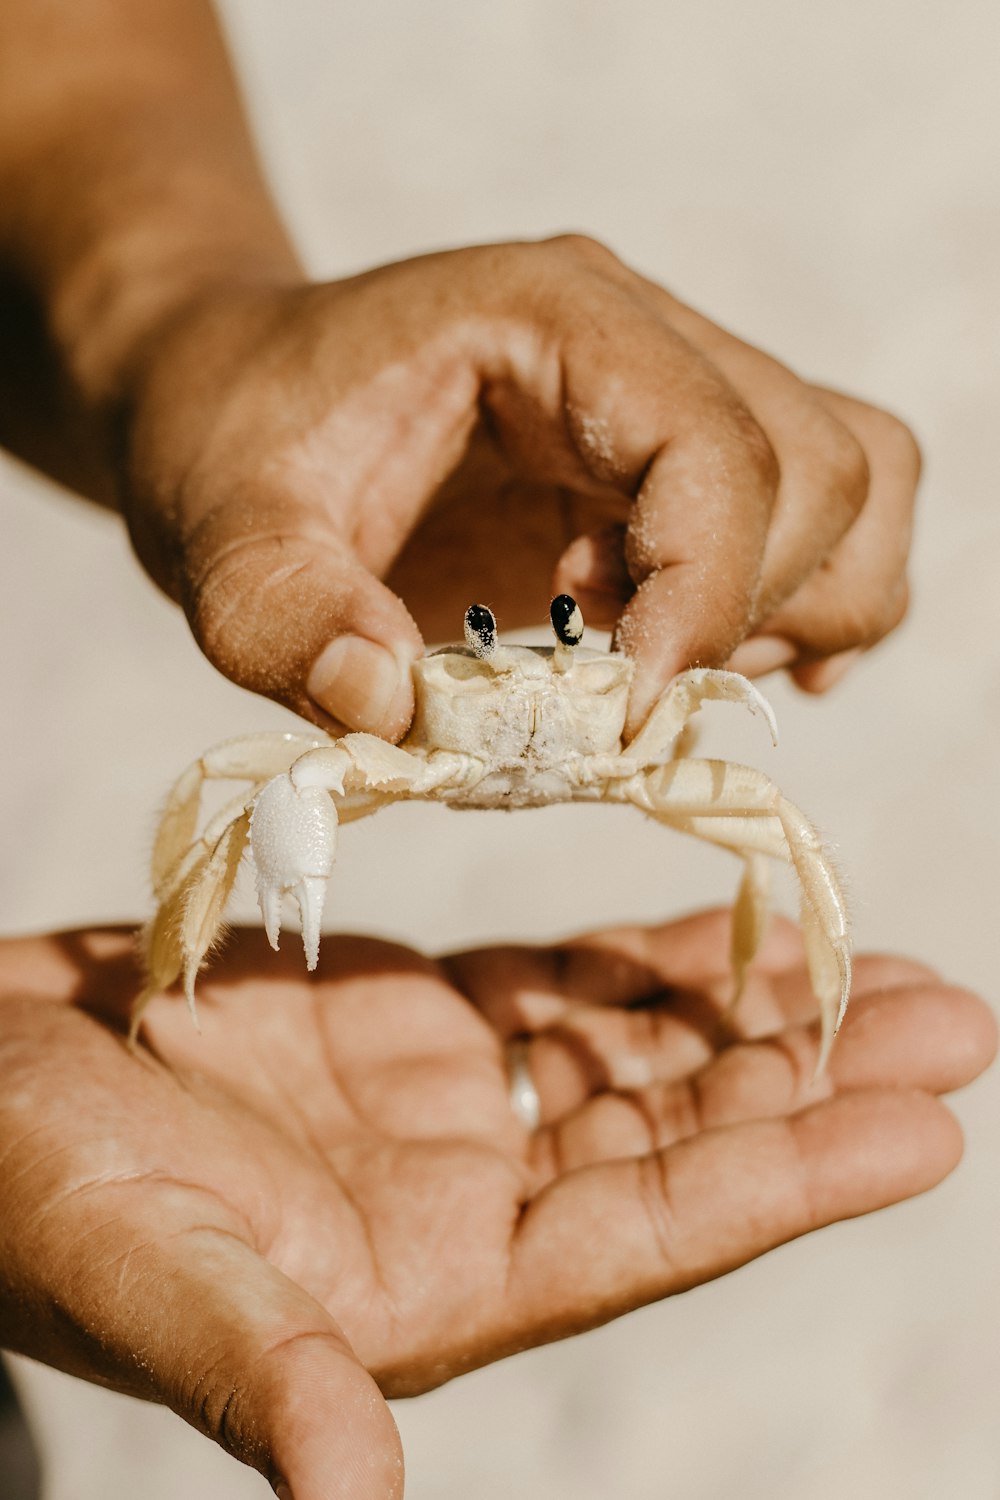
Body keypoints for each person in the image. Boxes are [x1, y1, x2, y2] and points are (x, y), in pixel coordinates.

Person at [0, 3, 986, 1499]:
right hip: (422, 753)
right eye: (485, 634)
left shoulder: (613, 691)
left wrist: (180, 321)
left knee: (776, 844)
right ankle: (180, 975)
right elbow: (246, 788)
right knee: (250, 791)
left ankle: (800, 990)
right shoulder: (411, 701)